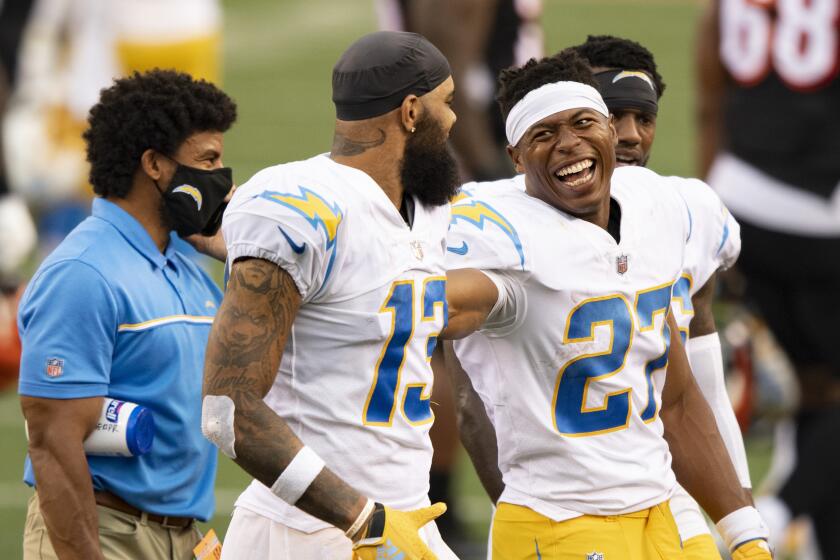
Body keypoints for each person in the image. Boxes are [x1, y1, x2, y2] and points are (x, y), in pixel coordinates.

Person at [438, 50, 771, 559]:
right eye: (543, 134)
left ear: (609, 132)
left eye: (583, 123)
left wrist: (744, 529)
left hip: (657, 501)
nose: (569, 144)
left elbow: (679, 399)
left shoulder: (662, 208)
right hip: (558, 518)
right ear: (516, 156)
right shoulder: (500, 234)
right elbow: (428, 320)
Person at [202, 31, 460, 560]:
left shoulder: (428, 208)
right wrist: (362, 517)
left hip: (406, 517)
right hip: (309, 530)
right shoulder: (300, 208)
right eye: (447, 103)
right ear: (411, 111)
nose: (454, 119)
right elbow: (228, 412)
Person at [18, 69, 237, 560]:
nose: (224, 178)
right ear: (155, 164)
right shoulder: (83, 273)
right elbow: (53, 442)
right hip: (101, 530)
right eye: (209, 159)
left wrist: (237, 255)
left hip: (182, 536)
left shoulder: (186, 264)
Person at [697, 0, 840, 556]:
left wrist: (708, 226)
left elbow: (712, 104)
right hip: (823, 212)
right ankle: (775, 518)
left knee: (817, 389)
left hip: (742, 201)